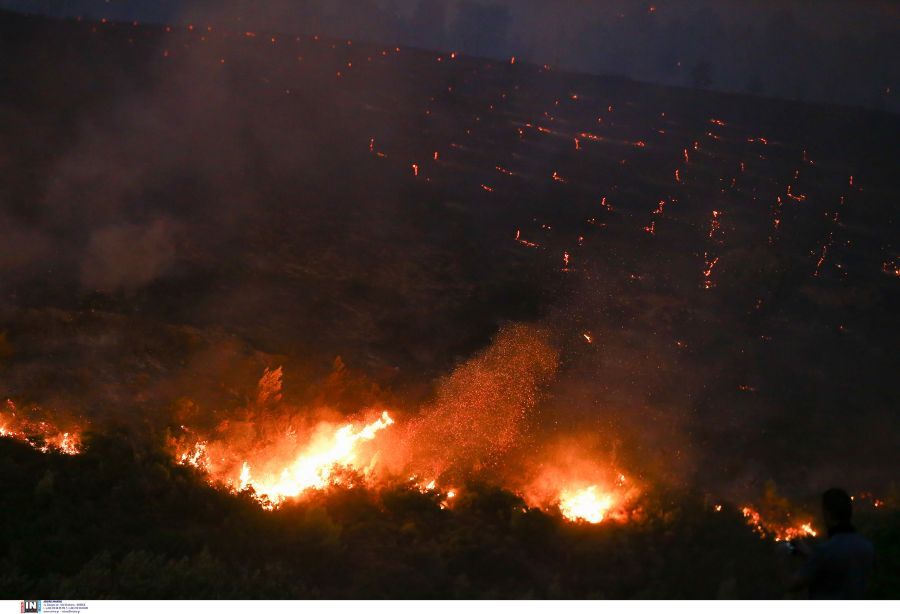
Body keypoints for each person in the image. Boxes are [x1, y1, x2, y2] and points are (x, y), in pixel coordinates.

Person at [787, 488, 875, 599]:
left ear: (827, 514)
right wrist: (810, 555)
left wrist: (780, 556)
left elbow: (792, 585)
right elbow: (839, 567)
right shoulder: (867, 547)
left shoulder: (825, 551)